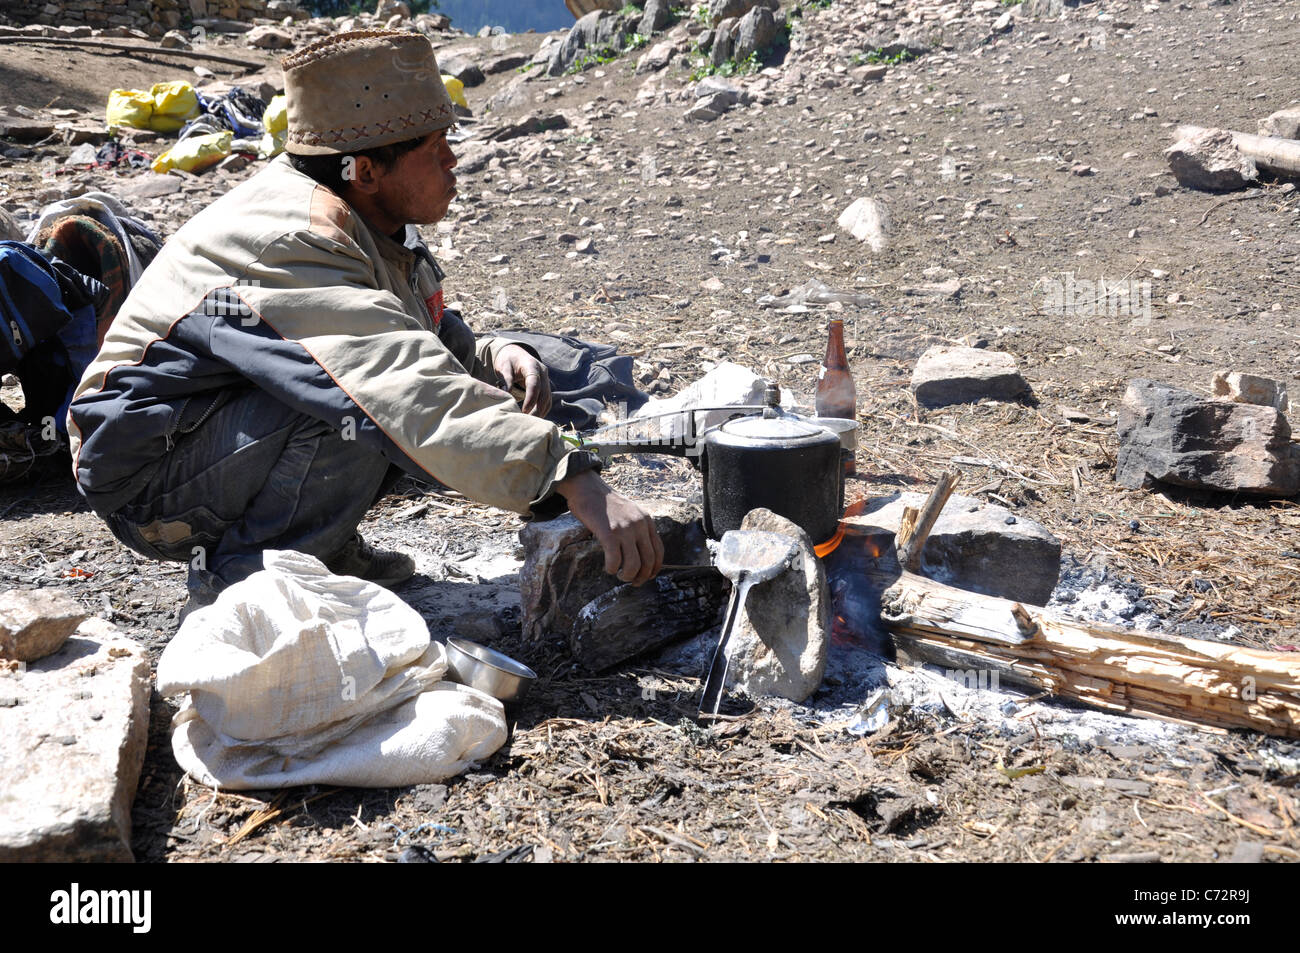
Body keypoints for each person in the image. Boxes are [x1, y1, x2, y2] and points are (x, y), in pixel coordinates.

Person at [67, 30, 664, 612]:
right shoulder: (289, 237)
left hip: (214, 434)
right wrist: (572, 477)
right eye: (434, 149)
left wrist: (488, 357)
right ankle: (246, 590)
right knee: (358, 405)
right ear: (366, 171)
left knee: (401, 397)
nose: (454, 162)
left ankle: (315, 549)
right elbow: (389, 377)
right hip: (147, 473)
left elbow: (408, 334)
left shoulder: (358, 217)